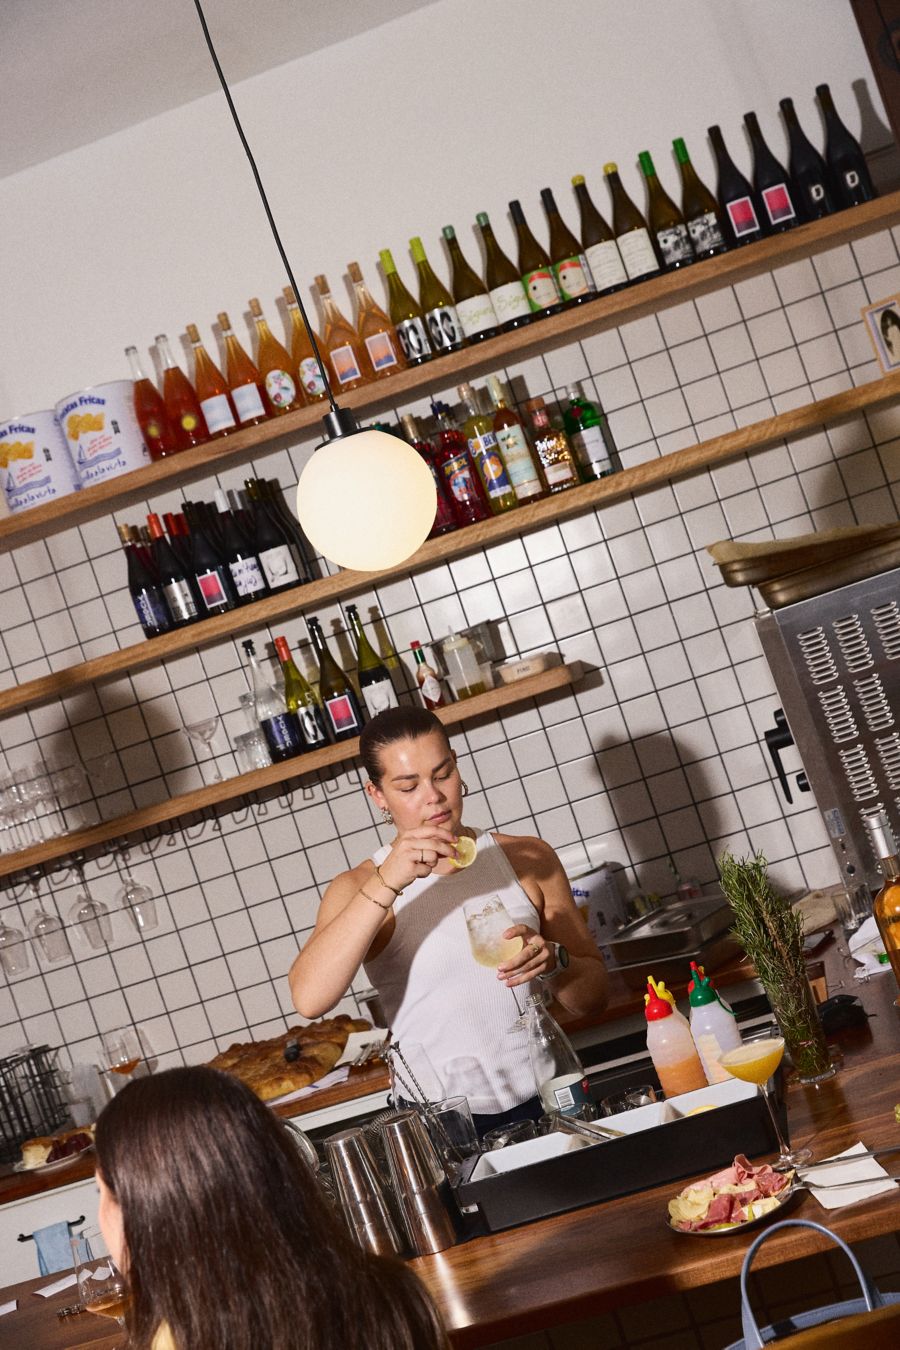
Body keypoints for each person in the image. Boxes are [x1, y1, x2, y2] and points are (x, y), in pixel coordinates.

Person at [290, 707, 608, 1132]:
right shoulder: (360, 886)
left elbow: (593, 997)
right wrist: (392, 879)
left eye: (442, 774)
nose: (433, 796)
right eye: (408, 786)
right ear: (378, 795)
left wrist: (556, 960)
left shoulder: (527, 858)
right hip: (441, 1122)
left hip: (550, 1100)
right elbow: (310, 999)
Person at [94, 1066, 448, 1350]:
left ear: (152, 1209)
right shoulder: (397, 1293)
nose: (100, 1215)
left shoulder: (181, 1338)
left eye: (103, 1193)